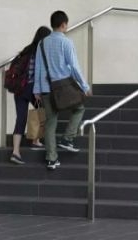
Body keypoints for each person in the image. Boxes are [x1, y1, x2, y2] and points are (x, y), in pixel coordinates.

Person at [33, 11, 91, 170]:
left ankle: (51, 159)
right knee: (79, 108)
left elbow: (38, 67)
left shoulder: (42, 43)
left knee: (50, 122)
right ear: (64, 24)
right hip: (64, 87)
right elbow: (74, 67)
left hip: (46, 88)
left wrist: (37, 90)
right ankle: (67, 138)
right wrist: (84, 86)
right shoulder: (66, 42)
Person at [10, 26, 52, 165]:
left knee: (21, 119)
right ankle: (35, 140)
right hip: (32, 88)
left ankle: (16, 152)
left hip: (19, 90)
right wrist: (38, 90)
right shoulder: (40, 52)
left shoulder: (26, 50)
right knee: (42, 112)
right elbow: (37, 73)